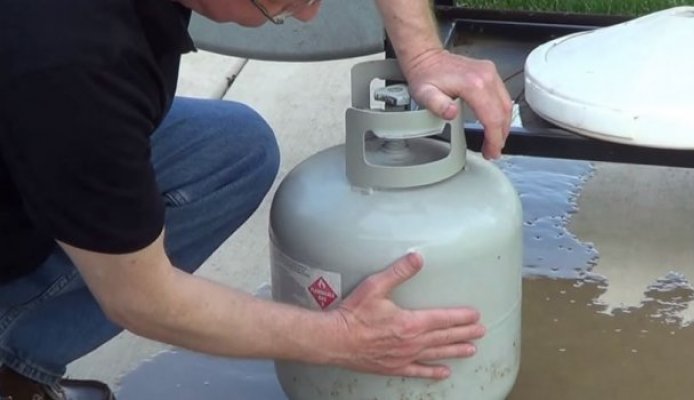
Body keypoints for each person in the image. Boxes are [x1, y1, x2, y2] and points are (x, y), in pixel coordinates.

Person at [0, 0, 512, 399]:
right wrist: (345, 337)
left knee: (233, 150)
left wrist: (422, 54)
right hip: (49, 97)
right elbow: (142, 299)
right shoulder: (76, 63)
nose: (309, 15)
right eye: (289, 2)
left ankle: (18, 361)